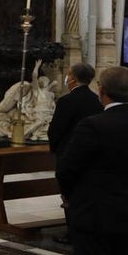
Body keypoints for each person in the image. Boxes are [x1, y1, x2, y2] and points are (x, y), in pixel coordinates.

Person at [56, 66, 128, 255]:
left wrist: (71, 197)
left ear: (102, 91)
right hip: (127, 210)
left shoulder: (93, 125)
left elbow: (66, 169)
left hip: (93, 213)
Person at [48, 62, 103, 244]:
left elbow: (56, 130)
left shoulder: (66, 101)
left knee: (69, 194)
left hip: (69, 153)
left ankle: (73, 232)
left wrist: (55, 149)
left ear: (72, 78)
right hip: (92, 155)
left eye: (69, 74)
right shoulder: (97, 100)